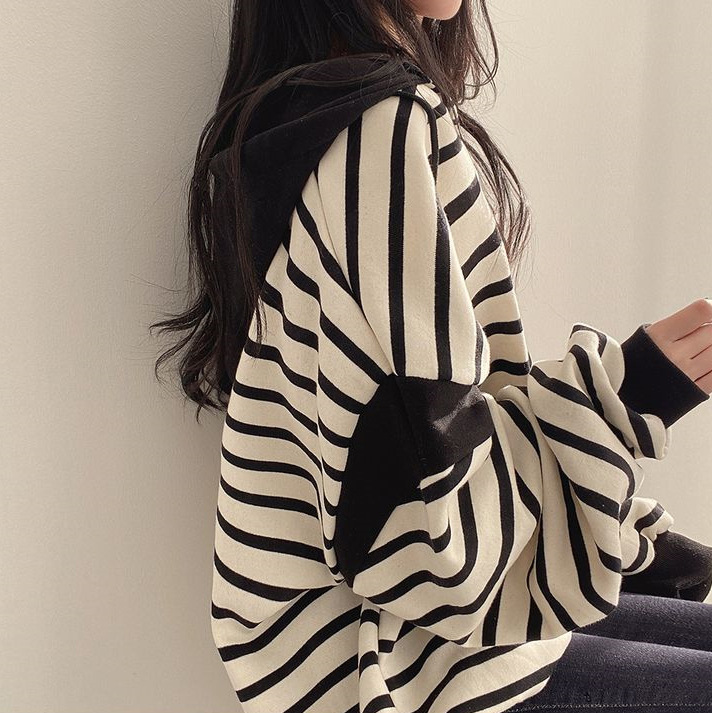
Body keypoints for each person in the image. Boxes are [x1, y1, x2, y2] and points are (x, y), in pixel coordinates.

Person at [149, 1, 712, 711]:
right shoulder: (378, 132)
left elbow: (423, 443)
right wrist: (627, 400)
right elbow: (421, 513)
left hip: (377, 636)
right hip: (399, 665)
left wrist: (613, 493)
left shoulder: (300, 120)